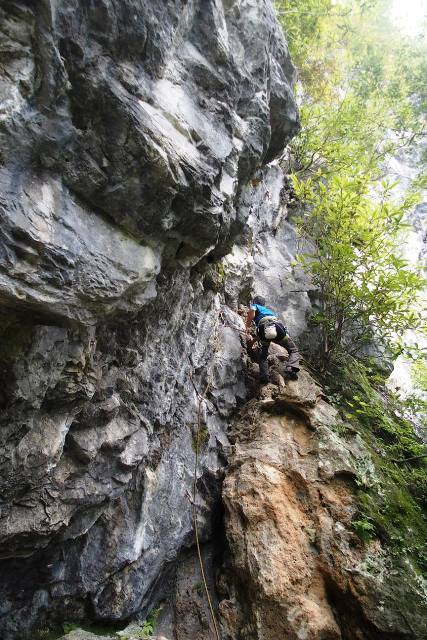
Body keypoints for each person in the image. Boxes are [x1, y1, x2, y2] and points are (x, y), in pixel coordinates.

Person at [245, 295, 300, 383]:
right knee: (293, 350)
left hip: (264, 330)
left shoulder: (256, 306)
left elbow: (252, 311)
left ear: (255, 302)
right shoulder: (269, 311)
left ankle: (264, 377)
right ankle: (291, 368)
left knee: (263, 355)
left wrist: (247, 326)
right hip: (278, 328)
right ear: (264, 304)